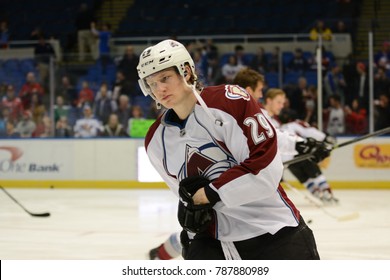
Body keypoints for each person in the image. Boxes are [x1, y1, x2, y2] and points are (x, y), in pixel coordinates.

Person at [138, 39, 320, 260]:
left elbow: (265, 172)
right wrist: (192, 228)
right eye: (152, 83)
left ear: (185, 71)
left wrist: (211, 192)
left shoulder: (229, 101)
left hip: (274, 232)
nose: (159, 89)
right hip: (214, 243)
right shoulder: (156, 140)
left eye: (164, 78)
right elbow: (187, 197)